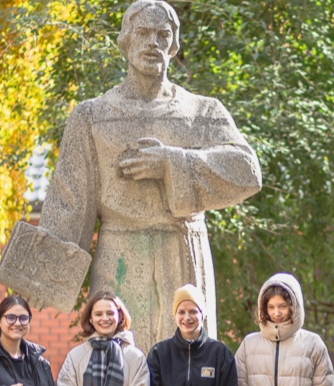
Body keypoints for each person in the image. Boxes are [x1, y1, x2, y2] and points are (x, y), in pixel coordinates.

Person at [19, 0, 262, 355]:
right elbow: (70, 204)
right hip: (119, 249)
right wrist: (34, 277)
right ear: (125, 41)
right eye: (143, 33)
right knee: (117, 360)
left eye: (163, 35)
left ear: (173, 45)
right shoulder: (92, 116)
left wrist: (172, 163)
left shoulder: (202, 112)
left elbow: (247, 170)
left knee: (188, 364)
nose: (152, 43)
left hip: (182, 250)